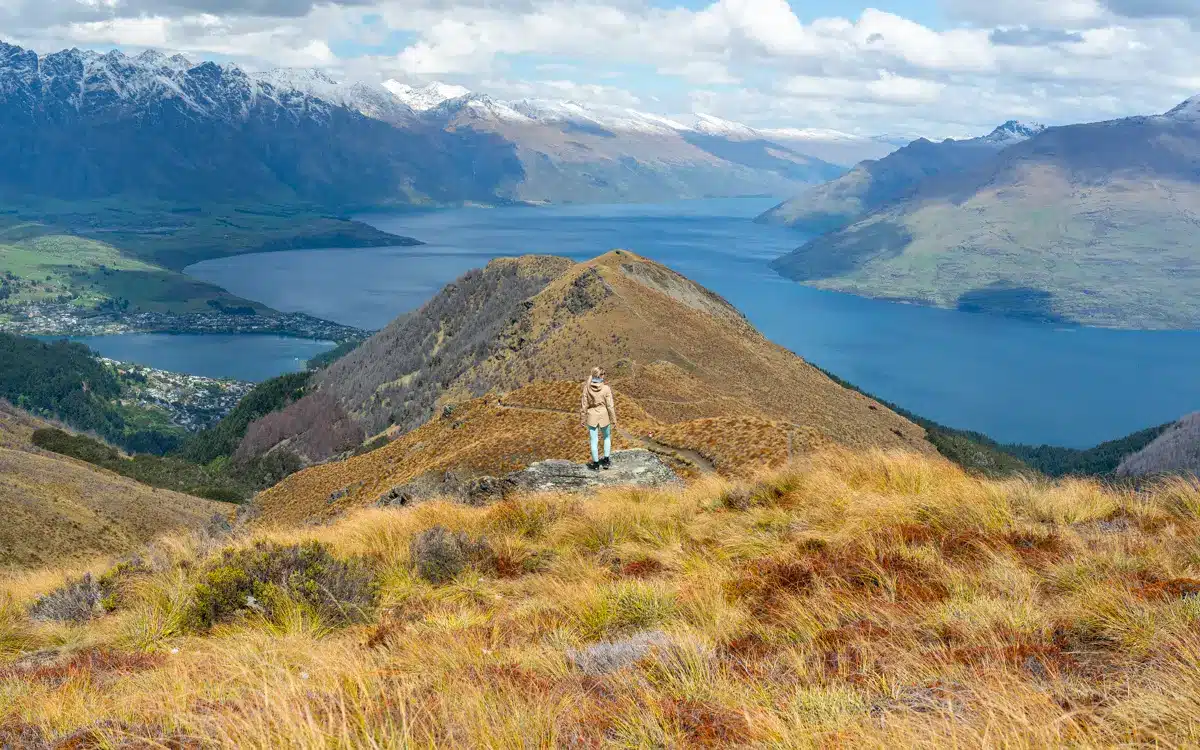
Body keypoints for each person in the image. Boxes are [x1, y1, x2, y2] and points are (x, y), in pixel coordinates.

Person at [581, 366, 617, 470]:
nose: (604, 376)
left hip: (592, 416)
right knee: (606, 437)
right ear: (599, 375)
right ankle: (606, 461)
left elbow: (584, 405)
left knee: (593, 441)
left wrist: (582, 418)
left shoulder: (587, 388)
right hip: (604, 416)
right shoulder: (606, 388)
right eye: (603, 374)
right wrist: (613, 419)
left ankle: (596, 464)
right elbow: (610, 406)